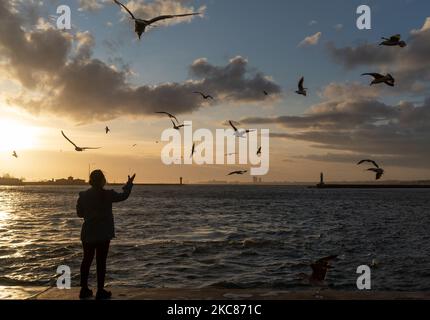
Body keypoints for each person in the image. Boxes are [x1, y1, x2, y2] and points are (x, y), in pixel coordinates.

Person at [76, 170, 136, 299]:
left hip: (88, 232)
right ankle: (100, 290)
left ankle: (84, 289)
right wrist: (129, 184)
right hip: (103, 233)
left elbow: (79, 214)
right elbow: (124, 196)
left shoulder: (83, 195)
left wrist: (90, 214)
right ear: (103, 180)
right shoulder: (108, 194)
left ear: (91, 180)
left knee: (86, 260)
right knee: (101, 261)